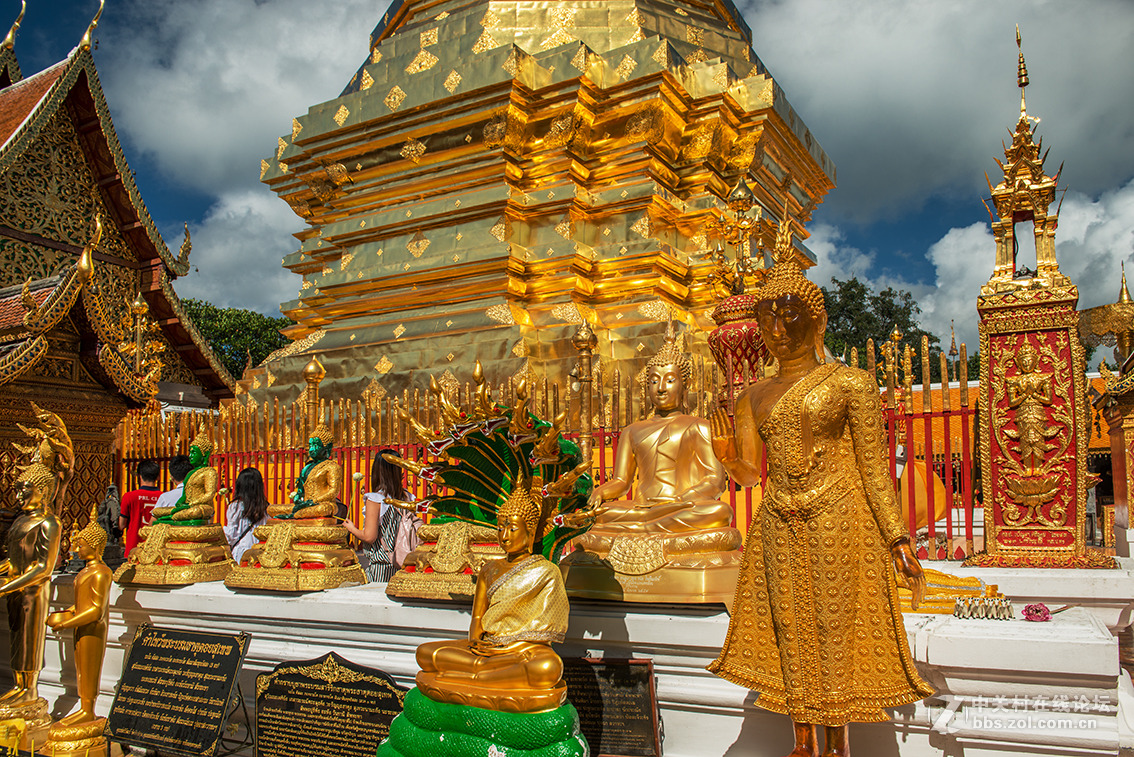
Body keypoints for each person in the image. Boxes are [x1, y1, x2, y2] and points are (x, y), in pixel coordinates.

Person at [708, 223, 932, 757]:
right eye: (767, 317)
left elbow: (874, 468)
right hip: (779, 519)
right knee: (788, 628)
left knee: (833, 629)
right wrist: (724, 458)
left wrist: (898, 539)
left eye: (790, 314)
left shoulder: (850, 383)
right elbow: (750, 474)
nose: (778, 327)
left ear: (818, 318)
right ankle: (802, 744)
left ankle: (836, 746)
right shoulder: (753, 395)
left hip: (840, 517)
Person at [0, 462, 62, 709]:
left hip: (34, 592)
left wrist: (6, 587)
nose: (18, 498)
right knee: (16, 638)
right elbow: (11, 560)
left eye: (24, 492)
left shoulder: (49, 523)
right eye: (17, 492)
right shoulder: (19, 522)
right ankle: (18, 685)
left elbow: (43, 568)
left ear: (43, 490)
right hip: (16, 590)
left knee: (29, 639)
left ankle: (30, 688)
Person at [344, 450, 419, 582]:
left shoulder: (376, 499)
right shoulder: (409, 498)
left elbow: (369, 536)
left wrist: (351, 528)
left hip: (383, 568)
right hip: (406, 565)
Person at [224, 468, 269, 564]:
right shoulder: (266, 508)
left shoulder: (236, 506)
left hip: (242, 552)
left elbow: (232, 534)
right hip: (260, 551)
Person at [118, 460, 160, 557]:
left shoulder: (129, 496)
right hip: (155, 549)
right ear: (158, 477)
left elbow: (121, 524)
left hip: (133, 548)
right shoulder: (164, 497)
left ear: (139, 476)